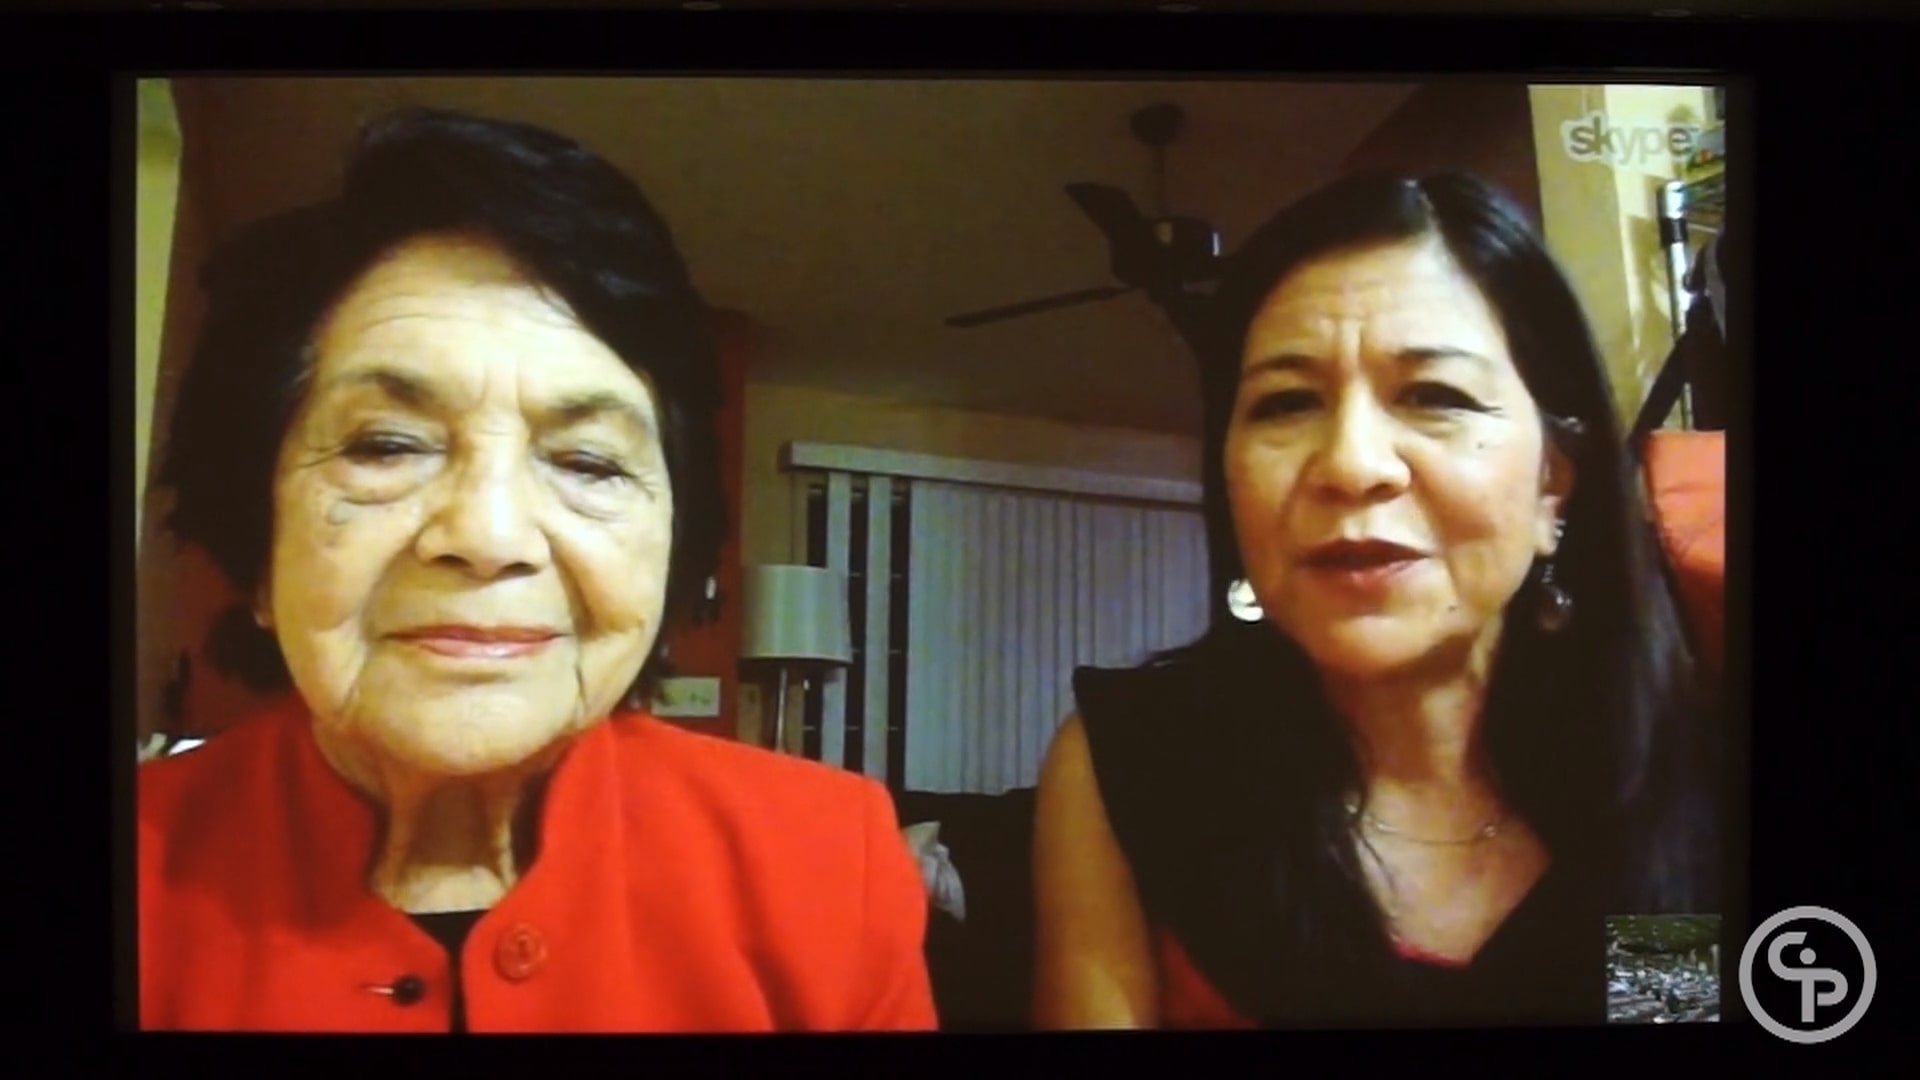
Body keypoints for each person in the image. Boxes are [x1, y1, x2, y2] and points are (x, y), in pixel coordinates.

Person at [138, 108, 937, 1033]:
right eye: (387, 444)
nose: (488, 533)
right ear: (254, 533)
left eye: (590, 462)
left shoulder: (828, 859)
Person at [1031, 173, 1722, 1030]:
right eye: (1286, 404)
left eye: (1436, 397)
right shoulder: (1137, 763)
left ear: (1554, 484)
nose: (1353, 463)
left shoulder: (1679, 774)